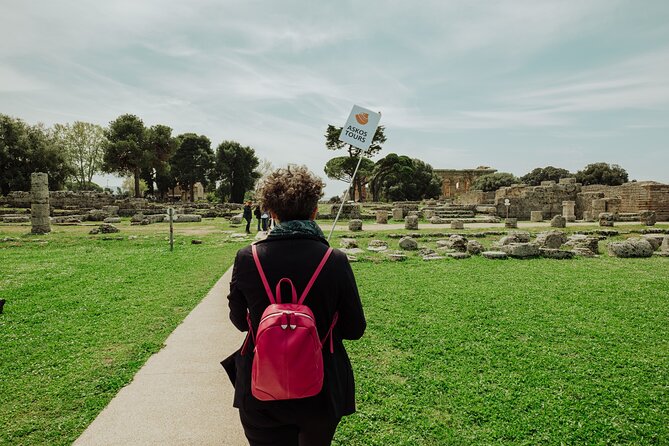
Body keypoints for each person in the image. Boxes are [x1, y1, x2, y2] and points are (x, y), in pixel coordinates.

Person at [226, 165, 366, 446]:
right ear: (315, 210)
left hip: (260, 386)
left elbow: (241, 322)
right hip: (321, 387)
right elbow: (354, 329)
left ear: (272, 212)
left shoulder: (247, 257)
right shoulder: (333, 260)